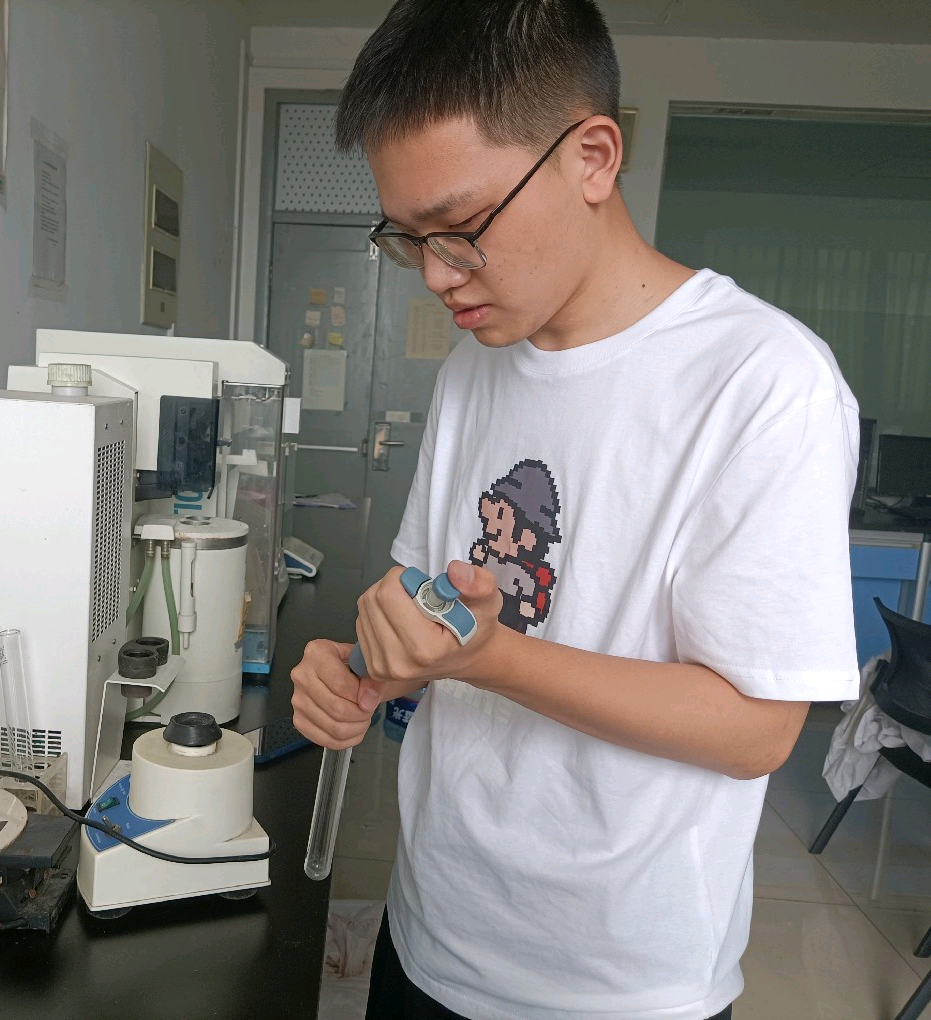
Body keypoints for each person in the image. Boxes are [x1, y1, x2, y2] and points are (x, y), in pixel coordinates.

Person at [288, 2, 861, 1019]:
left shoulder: (763, 382)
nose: (436, 276)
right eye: (408, 239)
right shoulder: (474, 368)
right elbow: (432, 601)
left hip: (615, 985)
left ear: (592, 157)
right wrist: (367, 665)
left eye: (462, 229)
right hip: (429, 933)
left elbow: (757, 730)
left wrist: (490, 658)